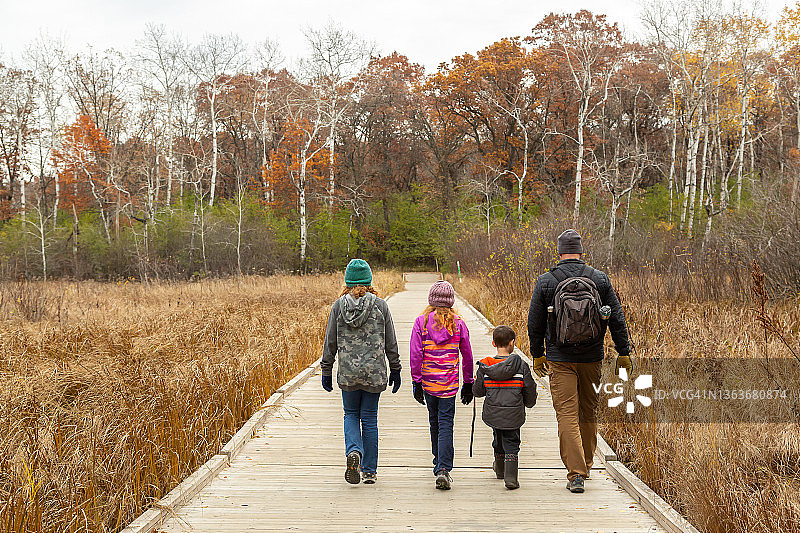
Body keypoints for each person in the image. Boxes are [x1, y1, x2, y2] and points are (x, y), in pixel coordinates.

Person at [527, 229, 632, 494]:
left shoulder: (546, 281)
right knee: (588, 411)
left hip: (559, 358)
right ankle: (586, 462)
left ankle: (576, 474)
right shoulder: (599, 279)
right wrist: (623, 351)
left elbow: (535, 323)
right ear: (581, 251)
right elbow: (617, 318)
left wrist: (537, 353)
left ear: (559, 252)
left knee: (566, 414)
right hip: (592, 357)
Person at [321, 258, 401, 485]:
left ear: (347, 281)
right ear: (368, 280)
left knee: (350, 414)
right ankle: (369, 471)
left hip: (348, 373)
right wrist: (395, 368)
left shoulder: (338, 307)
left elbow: (330, 343)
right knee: (369, 417)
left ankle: (354, 452)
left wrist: (326, 370)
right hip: (374, 374)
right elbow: (391, 342)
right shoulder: (381, 306)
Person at [410, 280, 474, 490]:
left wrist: (416, 381)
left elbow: (416, 353)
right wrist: (468, 382)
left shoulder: (421, 322)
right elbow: (467, 355)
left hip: (429, 381)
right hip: (448, 383)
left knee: (434, 422)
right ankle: (444, 468)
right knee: (446, 423)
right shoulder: (458, 323)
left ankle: (438, 462)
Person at [473, 325, 537, 490]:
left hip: (493, 412)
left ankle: (500, 469)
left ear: (493, 343)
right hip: (513, 413)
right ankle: (510, 478)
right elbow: (529, 389)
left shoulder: (485, 367)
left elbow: (478, 392)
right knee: (511, 441)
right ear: (512, 343)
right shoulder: (521, 366)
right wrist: (529, 403)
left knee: (498, 437)